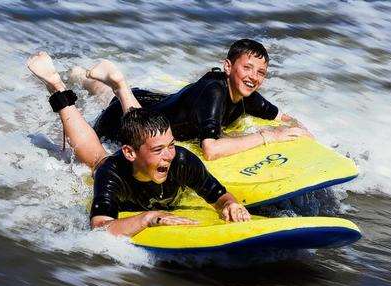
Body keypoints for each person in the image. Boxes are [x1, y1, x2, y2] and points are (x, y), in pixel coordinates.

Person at [27, 52, 251, 237]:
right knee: (96, 160)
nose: (169, 155)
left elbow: (219, 195)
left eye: (170, 145)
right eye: (158, 150)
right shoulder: (112, 173)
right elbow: (100, 226)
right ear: (129, 153)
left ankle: (120, 86)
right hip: (114, 167)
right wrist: (149, 217)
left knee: (145, 130)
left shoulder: (182, 160)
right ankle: (56, 84)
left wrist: (229, 204)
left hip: (140, 142)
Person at [71, 39, 313, 161]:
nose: (253, 77)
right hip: (130, 119)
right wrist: (268, 137)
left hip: (150, 99)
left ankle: (82, 76)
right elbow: (210, 149)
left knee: (104, 95)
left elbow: (282, 117)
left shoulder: (246, 95)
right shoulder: (215, 93)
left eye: (260, 72)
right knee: (107, 111)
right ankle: (83, 79)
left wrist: (304, 134)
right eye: (247, 68)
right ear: (227, 67)